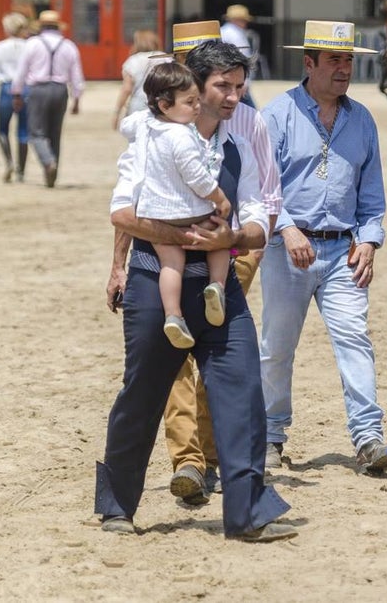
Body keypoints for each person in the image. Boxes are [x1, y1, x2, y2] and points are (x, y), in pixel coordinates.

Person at [97, 48, 295, 543]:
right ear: (194, 90)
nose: (234, 96)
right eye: (222, 87)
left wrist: (229, 239)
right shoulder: (148, 141)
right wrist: (177, 237)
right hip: (153, 284)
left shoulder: (237, 149)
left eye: (239, 85)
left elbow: (256, 221)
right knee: (141, 395)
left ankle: (246, 512)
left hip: (218, 288)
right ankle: (117, 506)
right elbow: (121, 213)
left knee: (244, 391)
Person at [260, 20, 387, 473]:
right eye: (334, 60)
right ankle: (271, 436)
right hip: (286, 249)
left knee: (355, 338)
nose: (344, 69)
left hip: (342, 251)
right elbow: (263, 185)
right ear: (309, 63)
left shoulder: (363, 120)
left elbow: (371, 191)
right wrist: (287, 229)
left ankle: (369, 437)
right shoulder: (276, 115)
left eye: (349, 60)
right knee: (277, 345)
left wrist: (370, 240)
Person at [124, 63, 233, 349]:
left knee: (170, 264)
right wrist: (219, 198)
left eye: (197, 100)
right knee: (220, 239)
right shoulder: (182, 134)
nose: (197, 107)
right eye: (189, 102)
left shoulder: (146, 124)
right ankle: (217, 286)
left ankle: (173, 315)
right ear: (164, 104)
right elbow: (196, 176)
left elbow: (127, 125)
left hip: (156, 214)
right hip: (189, 211)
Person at [11, 9, 85, 187]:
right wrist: (76, 99)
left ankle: (48, 161)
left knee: (36, 133)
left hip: (38, 89)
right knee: (55, 134)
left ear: (41, 26)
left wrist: (17, 92)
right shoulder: (68, 45)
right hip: (60, 90)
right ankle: (52, 174)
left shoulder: (33, 43)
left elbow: (22, 70)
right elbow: (77, 75)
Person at [0, 12, 30, 183]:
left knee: (2, 129)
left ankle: (9, 161)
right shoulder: (29, 45)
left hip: (6, 87)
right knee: (23, 130)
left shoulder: (0, 47)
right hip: (25, 87)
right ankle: (21, 171)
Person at [113, 29, 164, 129]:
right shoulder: (166, 58)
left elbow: (127, 89)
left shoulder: (133, 61)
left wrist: (117, 112)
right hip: (162, 104)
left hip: (138, 106)